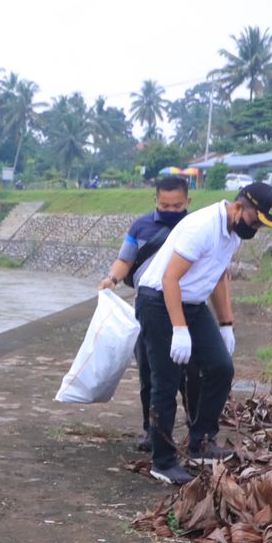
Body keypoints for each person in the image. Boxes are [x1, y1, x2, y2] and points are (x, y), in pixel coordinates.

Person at [135, 181, 272, 485]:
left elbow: (218, 278)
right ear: (239, 207)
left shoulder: (233, 234)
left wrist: (226, 324)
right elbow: (170, 278)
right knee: (167, 380)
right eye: (255, 220)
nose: (256, 228)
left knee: (220, 367)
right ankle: (162, 462)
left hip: (193, 302)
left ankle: (201, 441)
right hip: (159, 301)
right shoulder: (202, 227)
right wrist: (178, 329)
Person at [98, 175, 199, 451]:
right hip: (148, 310)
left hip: (187, 309)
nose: (170, 211)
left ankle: (197, 431)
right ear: (155, 200)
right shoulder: (140, 226)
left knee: (191, 374)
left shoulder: (196, 227)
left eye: (176, 206)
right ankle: (151, 430)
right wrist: (112, 279)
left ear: (187, 202)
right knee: (150, 373)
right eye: (164, 205)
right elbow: (125, 259)